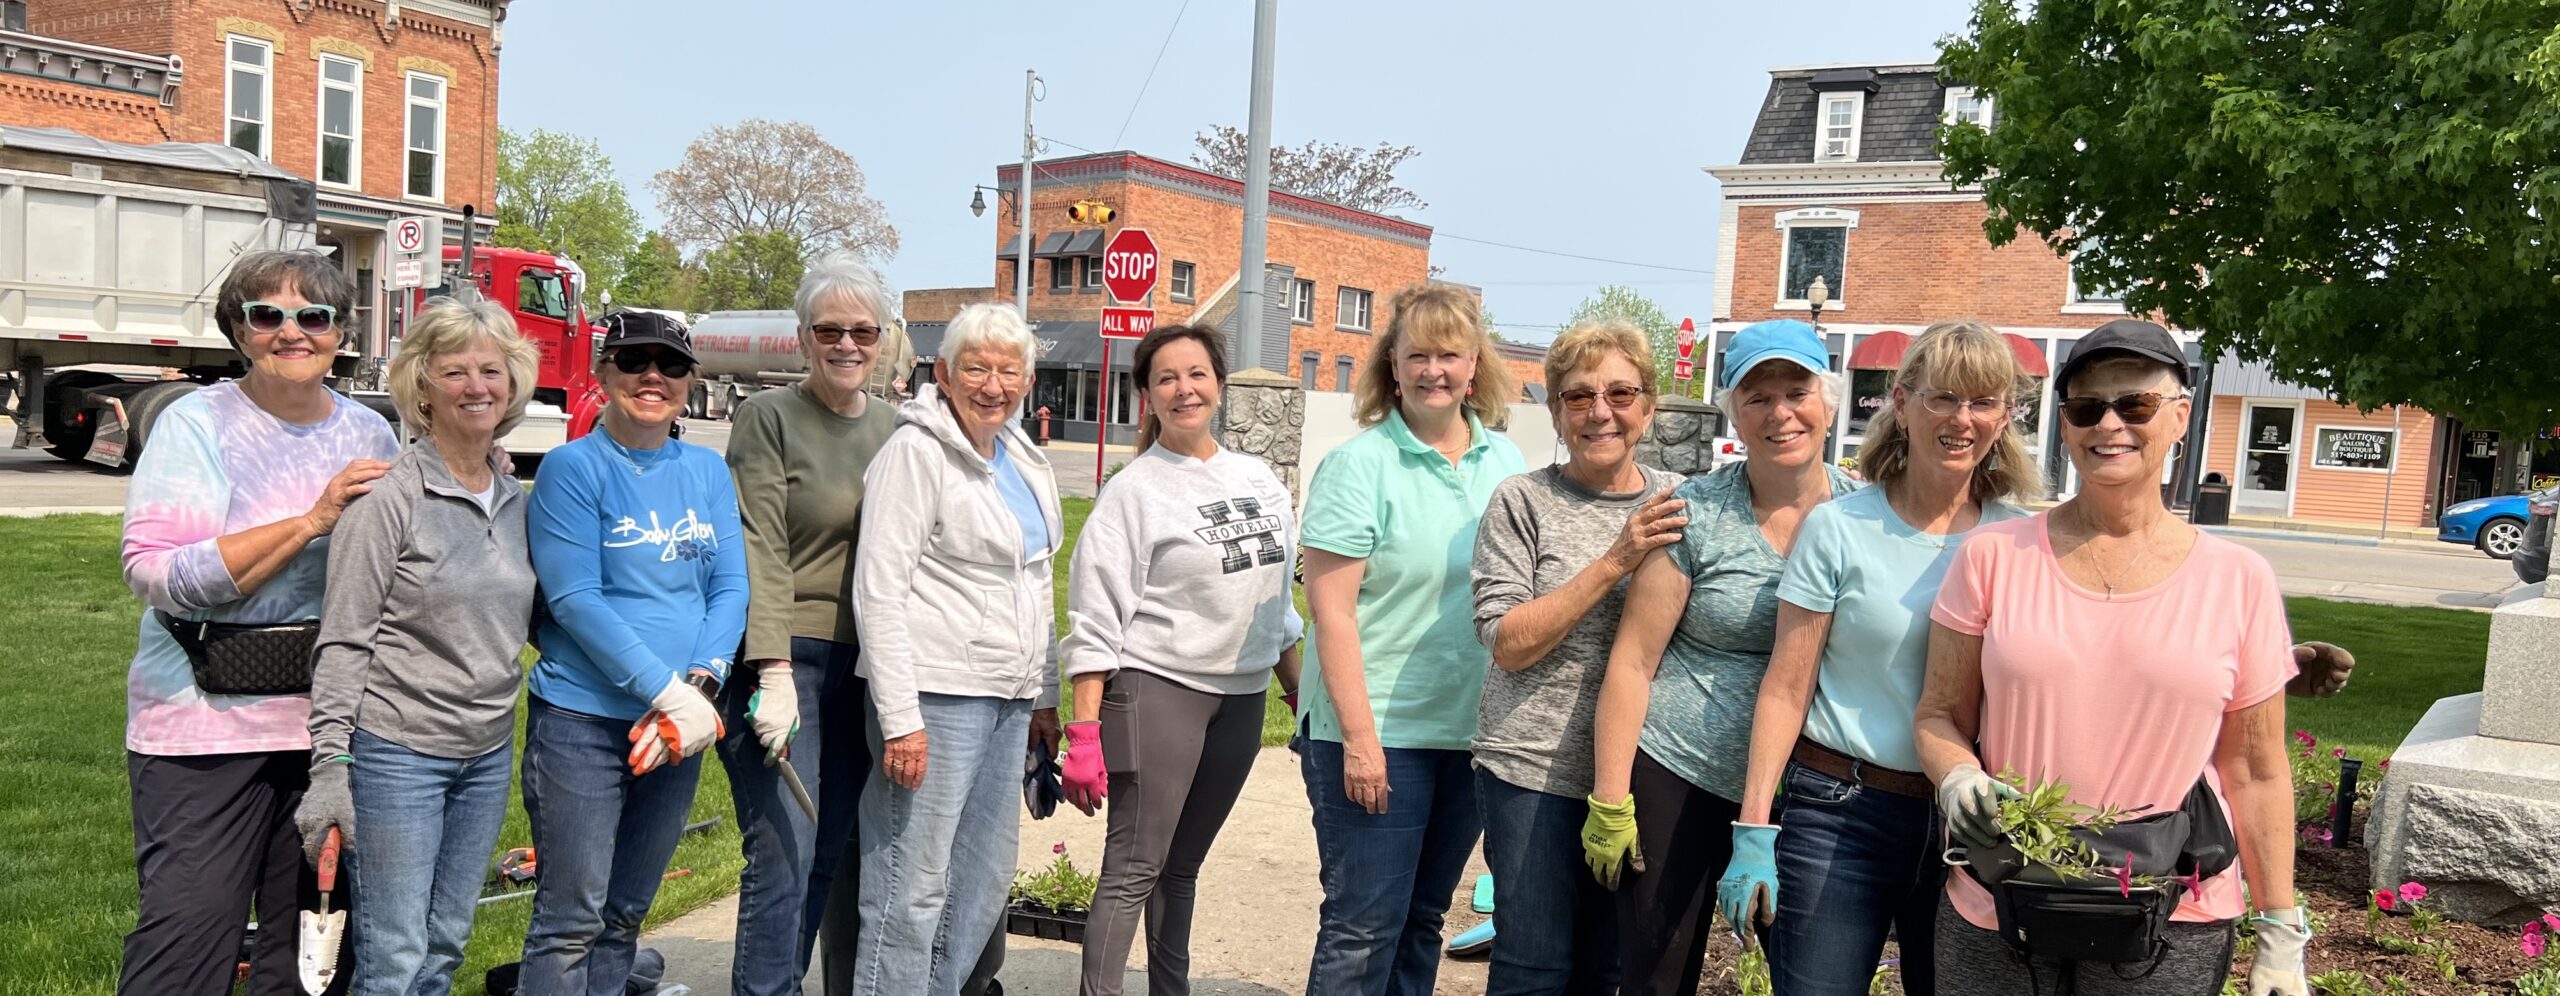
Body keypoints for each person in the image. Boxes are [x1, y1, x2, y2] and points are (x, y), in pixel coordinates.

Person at [1914, 319, 2308, 995]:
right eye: (2086, 408)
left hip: (2170, 918)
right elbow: (1939, 714)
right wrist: (1956, 776)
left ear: (2180, 416)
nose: (2109, 424)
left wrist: (2280, 928)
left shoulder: (2238, 580)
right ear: (2065, 425)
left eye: (2136, 404)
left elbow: (2256, 769)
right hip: (2001, 906)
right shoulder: (1994, 558)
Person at [1710, 320, 2038, 996]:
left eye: (1983, 402)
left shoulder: (2023, 542)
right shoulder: (1840, 528)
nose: (1962, 420)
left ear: (2005, 415)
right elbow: (1786, 686)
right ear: (1902, 401)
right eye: (1943, 397)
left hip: (1973, 825)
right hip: (1841, 812)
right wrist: (1754, 827)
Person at [116, 250, 395, 996]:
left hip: (328, 729)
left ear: (340, 332)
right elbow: (155, 573)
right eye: (268, 315)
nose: (292, 332)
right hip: (201, 727)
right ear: (240, 331)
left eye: (314, 316)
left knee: (314, 951)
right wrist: (310, 521)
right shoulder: (197, 423)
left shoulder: (372, 434)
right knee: (187, 939)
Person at [1585, 319, 1855, 996]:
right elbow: (1633, 662)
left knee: (1810, 978)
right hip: (1680, 771)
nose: (1780, 413)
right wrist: (1611, 796)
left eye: (1797, 392)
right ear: (1734, 410)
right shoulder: (1694, 512)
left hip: (1814, 788)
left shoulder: (1866, 515)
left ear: (1828, 402)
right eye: (1758, 397)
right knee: (1656, 977)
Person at [298, 296, 541, 996]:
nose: (476, 387)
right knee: (394, 956)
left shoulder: (515, 498)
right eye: (455, 372)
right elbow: (344, 640)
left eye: (490, 371)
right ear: (423, 388)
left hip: (486, 752)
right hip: (397, 754)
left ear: (512, 383)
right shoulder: (387, 499)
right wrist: (329, 767)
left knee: (445, 943)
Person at [1059, 323, 1306, 996]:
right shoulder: (1133, 492)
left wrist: (1299, 698)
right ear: (1147, 394)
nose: (1184, 389)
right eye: (1166, 378)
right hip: (1159, 689)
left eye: (1196, 374)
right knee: (1134, 867)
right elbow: (1096, 617)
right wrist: (1084, 732)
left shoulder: (1259, 479)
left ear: (1219, 384)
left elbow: (1276, 606)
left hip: (1242, 698)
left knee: (1182, 868)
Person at [1297, 283, 1525, 996]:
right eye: (1417, 355)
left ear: (1475, 365)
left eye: (1449, 355)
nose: (1434, 370)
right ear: (1391, 368)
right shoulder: (1359, 466)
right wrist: (1360, 741)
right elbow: (1332, 615)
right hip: (1376, 731)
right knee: (1364, 926)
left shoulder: (1507, 464)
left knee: (1423, 918)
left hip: (1467, 734)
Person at [518, 311, 748, 996]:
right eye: (633, 360)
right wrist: (666, 692)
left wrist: (700, 688)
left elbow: (730, 588)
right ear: (604, 370)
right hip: (583, 723)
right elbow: (575, 599)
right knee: (570, 922)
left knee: (623, 917)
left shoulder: (707, 469)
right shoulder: (572, 468)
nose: (653, 376)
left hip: (678, 729)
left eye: (670, 365)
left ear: (690, 381)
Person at [850, 302, 1064, 996]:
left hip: (1009, 698)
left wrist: (1046, 695)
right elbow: (879, 588)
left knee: (980, 881)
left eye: (1008, 371)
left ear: (1028, 382)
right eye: (975, 368)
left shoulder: (1022, 457)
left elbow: (1037, 579)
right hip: (935, 699)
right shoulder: (915, 453)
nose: (992, 385)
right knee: (909, 887)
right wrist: (900, 719)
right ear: (943, 373)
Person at [1468, 319, 1686, 994]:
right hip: (1531, 773)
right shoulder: (1523, 501)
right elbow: (1508, 643)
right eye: (1579, 396)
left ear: (1649, 406)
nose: (1600, 412)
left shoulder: (1681, 502)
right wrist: (1616, 559)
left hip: (1644, 777)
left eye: (1620, 393)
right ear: (1557, 413)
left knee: (1608, 971)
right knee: (1533, 968)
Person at [714, 253, 902, 996]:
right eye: (829, 330)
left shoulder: (896, 428)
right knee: (784, 852)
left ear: (882, 339)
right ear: (802, 337)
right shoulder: (768, 418)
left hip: (864, 666)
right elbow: (758, 543)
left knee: (825, 851)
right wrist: (772, 669)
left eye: (863, 330)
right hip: (786, 657)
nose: (847, 344)